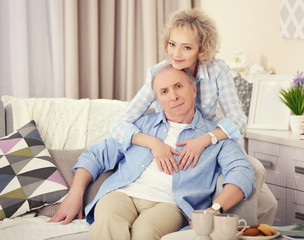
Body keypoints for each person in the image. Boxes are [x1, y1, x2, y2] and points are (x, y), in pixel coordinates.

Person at [109, 8, 277, 224]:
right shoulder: (159, 74)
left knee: (269, 204)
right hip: (185, 154)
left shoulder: (217, 70)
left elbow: (238, 118)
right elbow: (118, 124)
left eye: (186, 47)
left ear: (202, 49)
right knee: (259, 196)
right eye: (172, 44)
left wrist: (206, 139)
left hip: (215, 144)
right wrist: (153, 143)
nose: (176, 54)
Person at [49, 64, 255, 240]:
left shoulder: (215, 135)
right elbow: (96, 155)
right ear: (157, 99)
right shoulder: (140, 127)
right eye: (164, 92)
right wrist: (75, 193)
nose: (173, 96)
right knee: (108, 222)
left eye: (178, 86)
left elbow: (242, 173)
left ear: (193, 90)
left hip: (169, 205)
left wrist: (213, 210)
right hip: (122, 194)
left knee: (145, 232)